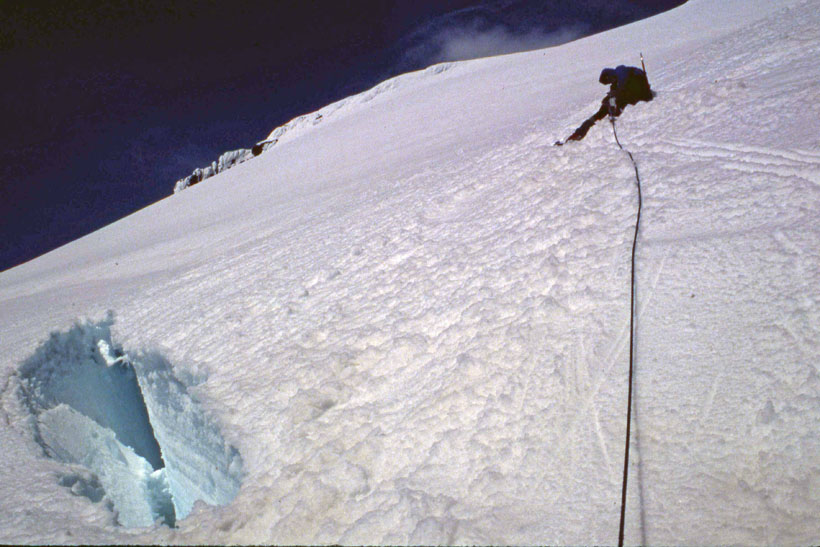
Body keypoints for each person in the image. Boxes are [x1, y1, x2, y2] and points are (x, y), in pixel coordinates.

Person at [556, 65, 653, 145]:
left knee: (606, 105)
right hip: (638, 94)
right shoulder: (619, 81)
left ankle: (581, 131)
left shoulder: (620, 70)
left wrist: (613, 98)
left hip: (636, 93)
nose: (610, 82)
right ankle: (581, 131)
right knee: (607, 104)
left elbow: (622, 86)